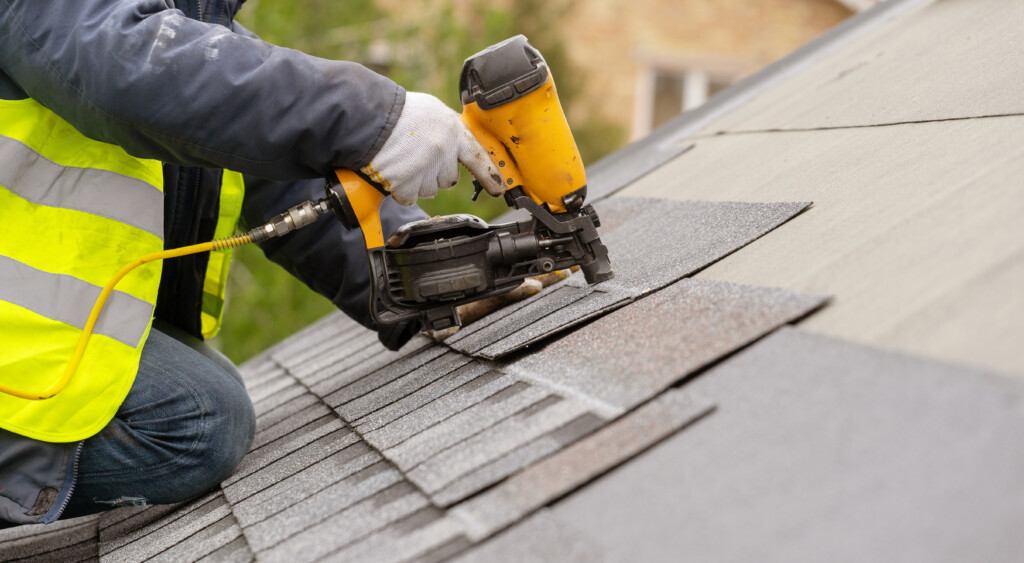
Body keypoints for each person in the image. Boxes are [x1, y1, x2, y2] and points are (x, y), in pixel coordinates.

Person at [0, 0, 504, 526]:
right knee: (194, 421)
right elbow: (129, 68)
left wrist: (430, 269)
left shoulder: (186, 26)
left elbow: (279, 167)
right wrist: (373, 118)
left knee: (203, 393)